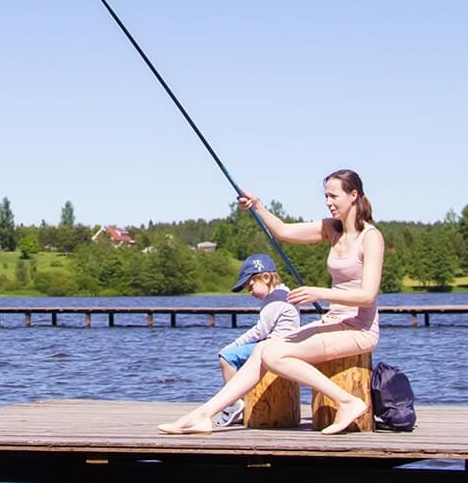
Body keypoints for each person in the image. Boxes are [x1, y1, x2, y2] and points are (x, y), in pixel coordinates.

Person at [157, 169, 383, 436]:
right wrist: (257, 206)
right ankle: (204, 415)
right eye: (325, 196)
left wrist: (320, 293)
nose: (328, 202)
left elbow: (367, 295)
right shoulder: (333, 230)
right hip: (333, 322)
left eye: (333, 196)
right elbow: (283, 232)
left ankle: (347, 401)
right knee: (262, 350)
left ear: (353, 195)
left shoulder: (371, 237)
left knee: (274, 354)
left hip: (360, 329)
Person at [210, 254, 301, 427]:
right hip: (282, 344)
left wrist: (234, 345)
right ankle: (240, 401)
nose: (250, 292)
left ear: (266, 278)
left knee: (226, 357)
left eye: (251, 286)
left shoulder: (274, 302)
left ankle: (233, 403)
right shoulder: (285, 293)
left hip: (273, 345)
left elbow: (259, 331)